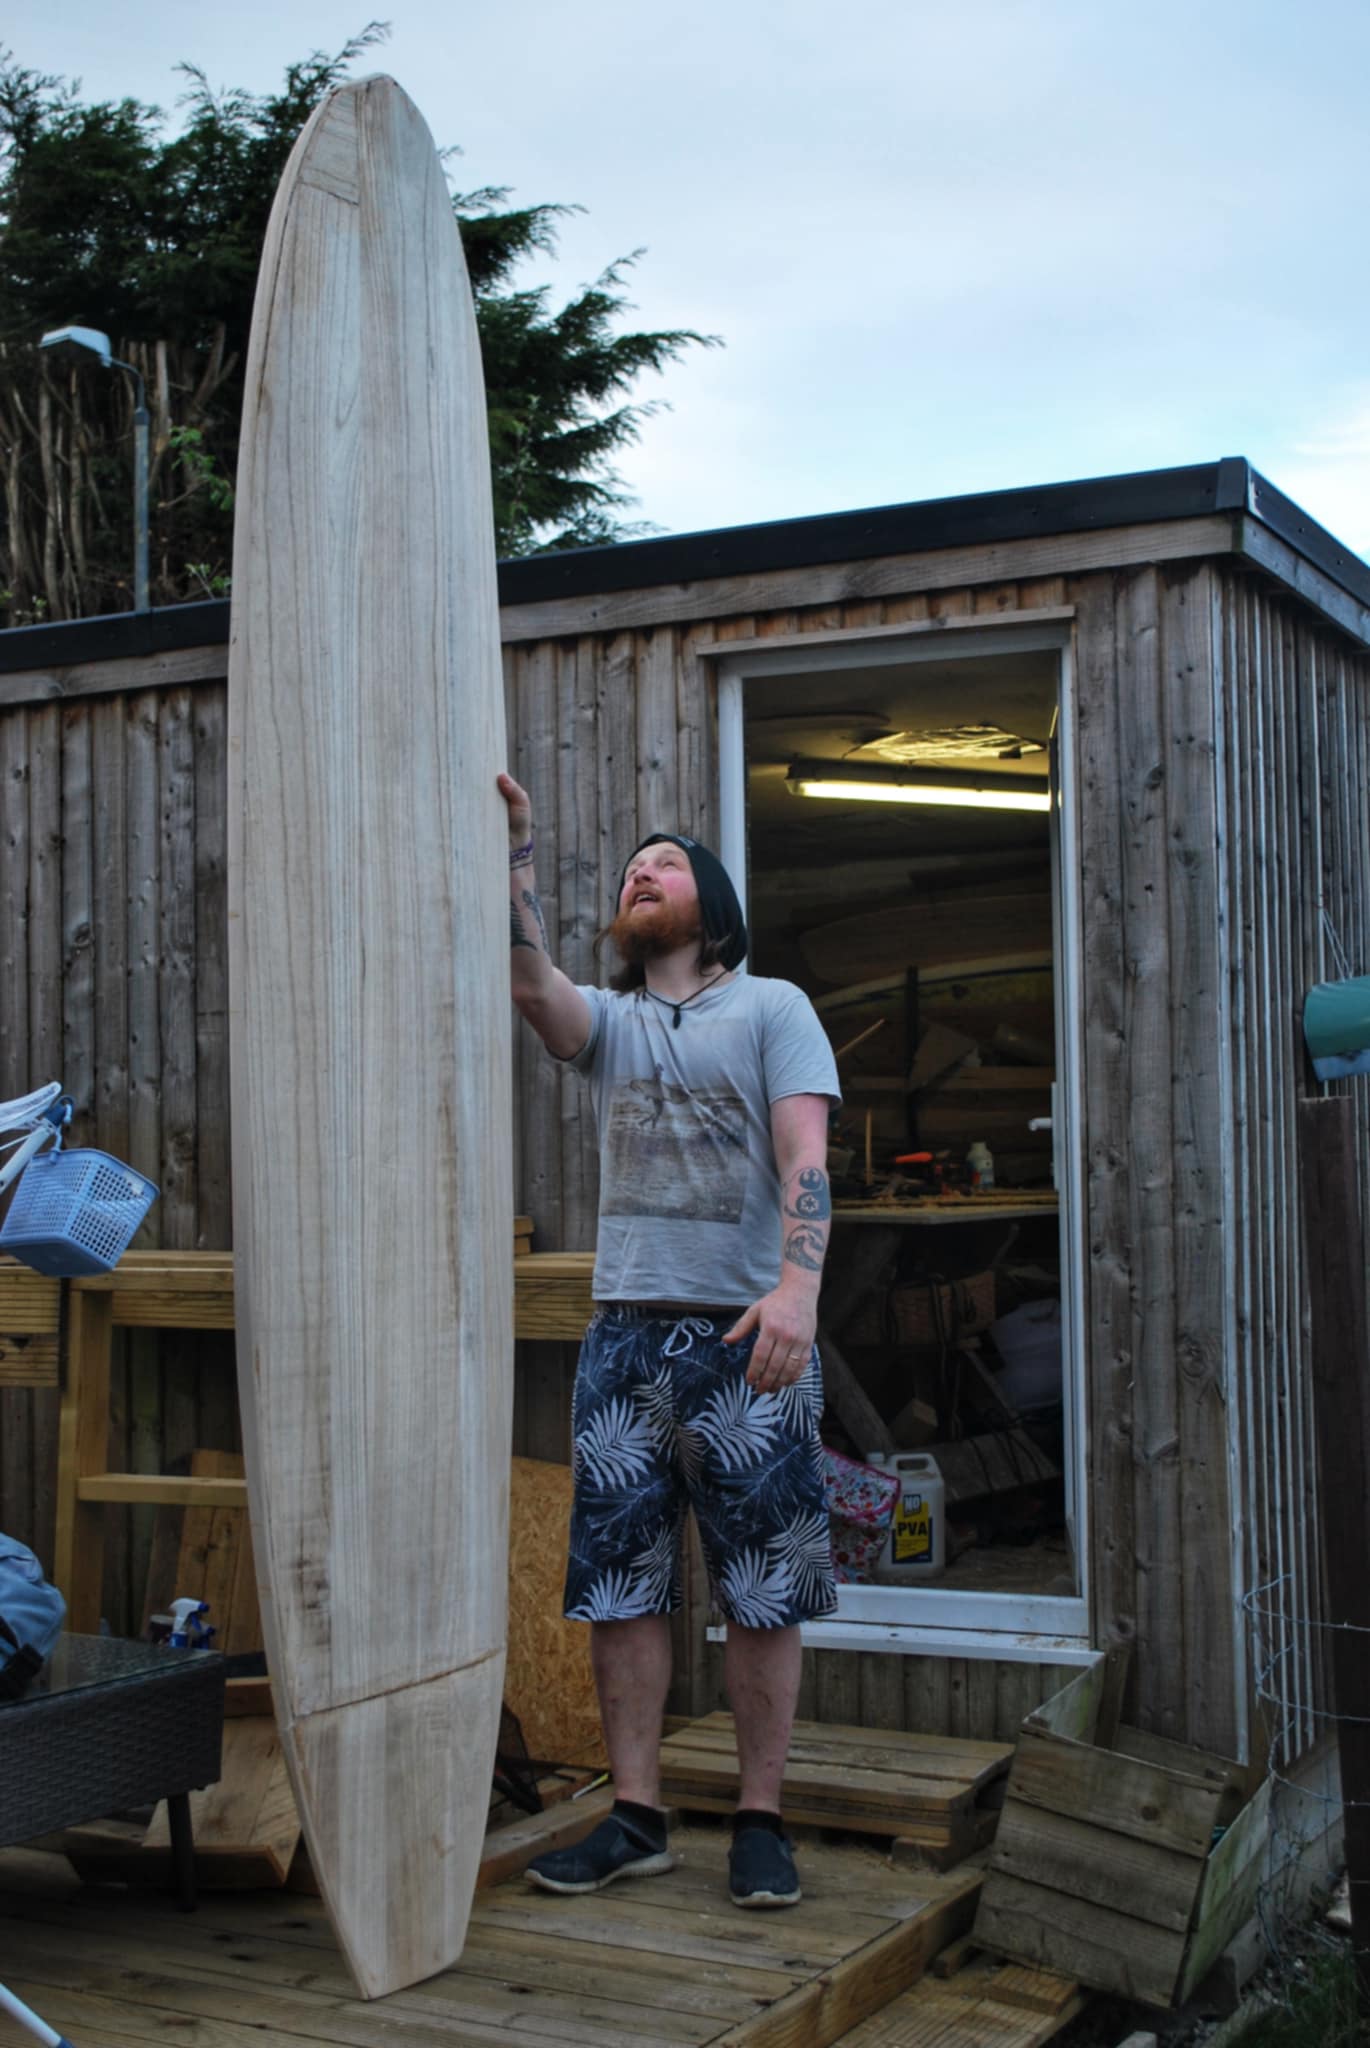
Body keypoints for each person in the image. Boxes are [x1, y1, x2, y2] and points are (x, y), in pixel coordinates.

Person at [499, 770, 841, 1909]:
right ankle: (635, 1817)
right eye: (631, 868)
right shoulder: (614, 1024)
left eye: (666, 863)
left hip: (750, 1338)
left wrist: (797, 1291)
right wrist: (516, 853)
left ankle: (760, 1820)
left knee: (762, 1588)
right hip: (623, 1340)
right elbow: (529, 980)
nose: (641, 872)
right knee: (620, 1586)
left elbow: (805, 1158)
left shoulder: (773, 1007)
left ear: (714, 902)